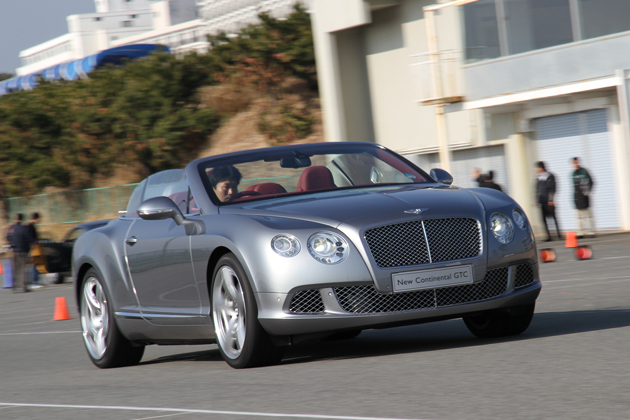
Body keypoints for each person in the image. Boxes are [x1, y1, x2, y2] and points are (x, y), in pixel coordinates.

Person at [535, 161, 562, 242]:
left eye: (537, 168)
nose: (536, 169)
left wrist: (551, 199)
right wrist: (537, 201)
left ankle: (559, 234)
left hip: (548, 201)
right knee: (544, 219)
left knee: (553, 217)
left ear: (541, 168)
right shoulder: (539, 177)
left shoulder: (549, 176)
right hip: (542, 200)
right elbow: (537, 190)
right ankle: (548, 236)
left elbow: (552, 188)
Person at [571, 157, 595, 238]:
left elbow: (592, 182)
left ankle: (590, 231)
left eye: (576, 162)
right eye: (574, 163)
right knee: (578, 216)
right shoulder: (573, 174)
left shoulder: (584, 171)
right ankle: (580, 232)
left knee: (587, 215)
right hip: (577, 197)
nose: (575, 164)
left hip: (584, 197)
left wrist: (587, 192)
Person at [9, 214, 32, 292]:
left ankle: (14, 286)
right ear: (22, 220)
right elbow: (29, 239)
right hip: (23, 250)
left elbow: (8, 238)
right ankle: (24, 286)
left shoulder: (11, 228)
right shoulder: (24, 228)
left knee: (15, 269)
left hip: (15, 250)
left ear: (15, 219)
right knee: (23, 269)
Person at [27, 212, 44, 288]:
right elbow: (30, 238)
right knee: (34, 265)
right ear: (35, 219)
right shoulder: (30, 227)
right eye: (38, 219)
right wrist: (36, 241)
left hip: (33, 248)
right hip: (33, 248)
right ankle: (34, 282)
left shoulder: (31, 226)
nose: (39, 220)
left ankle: (35, 281)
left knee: (35, 265)